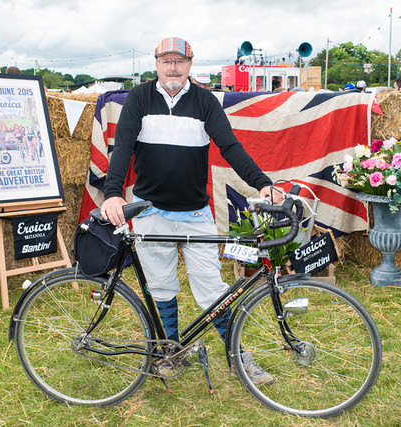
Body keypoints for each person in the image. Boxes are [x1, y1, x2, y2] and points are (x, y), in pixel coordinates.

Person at [101, 37, 283, 385]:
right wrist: (112, 194)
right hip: (151, 211)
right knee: (162, 286)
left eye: (179, 61)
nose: (173, 67)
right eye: (166, 60)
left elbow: (230, 146)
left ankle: (238, 358)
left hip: (195, 213)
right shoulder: (139, 97)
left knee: (212, 288)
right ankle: (172, 351)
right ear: (156, 62)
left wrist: (263, 184)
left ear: (190, 64)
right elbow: (123, 147)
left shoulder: (205, 101)